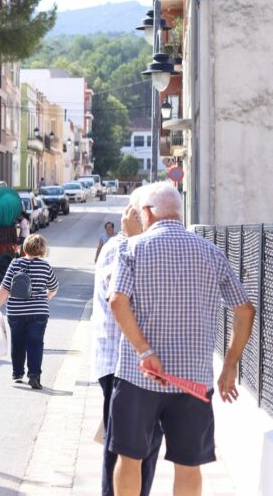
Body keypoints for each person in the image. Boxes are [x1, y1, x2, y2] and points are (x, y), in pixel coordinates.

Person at [108, 182, 255, 496]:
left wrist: (144, 350)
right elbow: (245, 310)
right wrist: (229, 367)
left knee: (130, 458)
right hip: (194, 381)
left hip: (139, 376)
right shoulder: (210, 251)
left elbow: (117, 301)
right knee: (189, 466)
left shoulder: (131, 248)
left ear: (148, 212)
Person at [93, 189, 161, 496]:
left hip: (136, 366)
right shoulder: (120, 247)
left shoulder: (135, 247)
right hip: (123, 366)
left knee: (138, 453)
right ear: (138, 215)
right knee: (124, 454)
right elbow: (121, 300)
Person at [0, 234, 58, 390]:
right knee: (36, 343)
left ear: (25, 247)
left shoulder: (15, 264)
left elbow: (5, 287)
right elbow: (54, 287)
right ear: (42, 249)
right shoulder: (45, 266)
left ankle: (17, 373)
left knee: (18, 341)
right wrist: (44, 299)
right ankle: (34, 376)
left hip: (16, 312)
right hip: (38, 312)